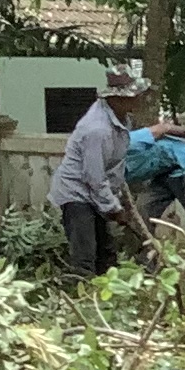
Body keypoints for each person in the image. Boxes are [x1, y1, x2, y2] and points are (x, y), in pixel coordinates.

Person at [50, 67, 146, 277]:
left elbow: (113, 167)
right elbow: (93, 176)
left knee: (107, 253)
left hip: (96, 193)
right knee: (85, 255)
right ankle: (81, 297)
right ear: (117, 99)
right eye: (134, 96)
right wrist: (113, 208)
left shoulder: (122, 120)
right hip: (77, 192)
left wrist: (117, 202)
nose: (139, 99)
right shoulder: (97, 130)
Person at [125, 119, 185, 237]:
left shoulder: (130, 142)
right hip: (162, 173)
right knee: (142, 215)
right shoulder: (106, 169)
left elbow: (165, 128)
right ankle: (146, 253)